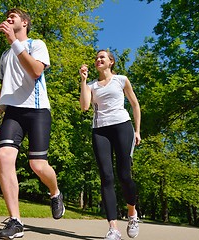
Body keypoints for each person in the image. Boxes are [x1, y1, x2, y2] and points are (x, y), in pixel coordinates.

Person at [0, 8, 65, 240]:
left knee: (38, 165)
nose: (8, 18)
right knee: (3, 156)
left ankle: (55, 193)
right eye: (7, 16)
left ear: (24, 22)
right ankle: (16, 221)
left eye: (13, 16)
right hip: (12, 112)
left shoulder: (36, 44)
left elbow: (35, 71)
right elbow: (4, 88)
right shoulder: (5, 55)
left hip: (37, 110)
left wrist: (14, 42)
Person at [79, 50, 141, 239]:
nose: (98, 60)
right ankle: (113, 228)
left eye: (102, 57)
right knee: (106, 177)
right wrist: (83, 81)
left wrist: (137, 131)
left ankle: (132, 213)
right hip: (100, 130)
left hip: (122, 126)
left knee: (124, 175)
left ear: (111, 62)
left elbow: (135, 104)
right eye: (97, 58)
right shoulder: (91, 85)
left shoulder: (121, 80)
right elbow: (84, 107)